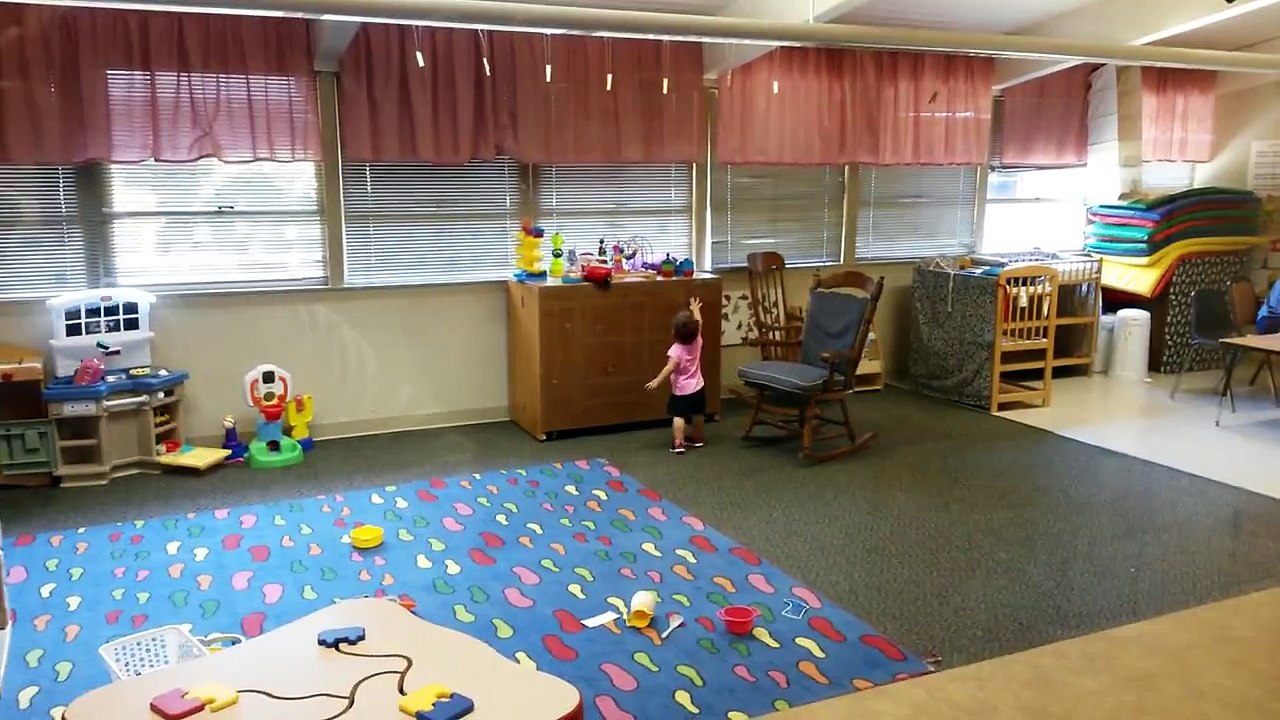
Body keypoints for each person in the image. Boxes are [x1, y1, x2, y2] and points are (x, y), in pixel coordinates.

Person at [646, 297, 705, 454]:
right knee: (698, 413)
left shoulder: (676, 350)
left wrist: (657, 381)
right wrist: (695, 309)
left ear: (674, 332)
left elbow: (669, 368)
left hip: (681, 391)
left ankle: (679, 443)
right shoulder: (698, 340)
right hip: (698, 387)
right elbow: (699, 321)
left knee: (679, 416)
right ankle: (698, 438)